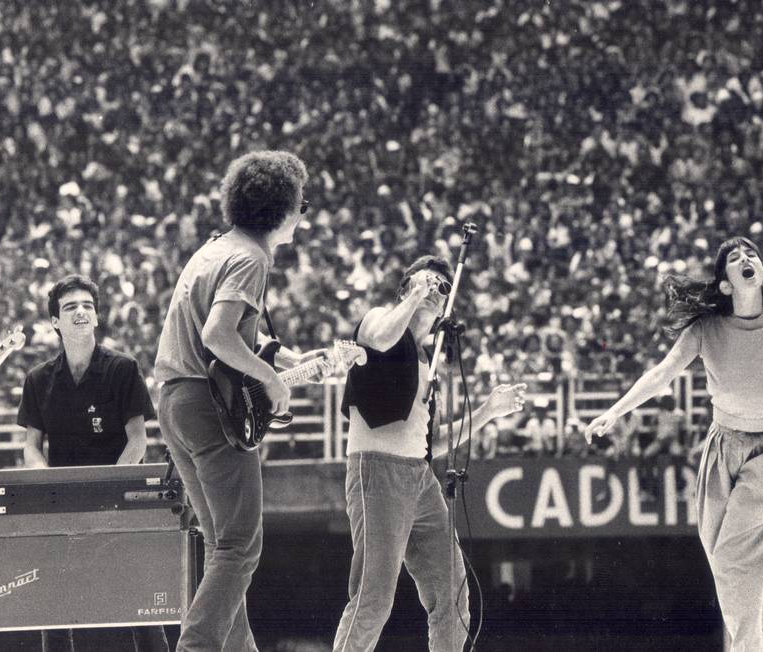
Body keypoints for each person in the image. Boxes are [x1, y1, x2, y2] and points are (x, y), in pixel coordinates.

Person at [585, 236, 763, 651]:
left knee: (732, 563)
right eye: (735, 259)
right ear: (725, 283)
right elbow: (663, 372)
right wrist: (616, 411)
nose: (746, 260)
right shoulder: (706, 327)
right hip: (721, 447)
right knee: (734, 570)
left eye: (752, 255)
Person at [153, 150, 320, 651]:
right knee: (242, 549)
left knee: (223, 546)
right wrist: (273, 381)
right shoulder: (251, 258)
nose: (303, 214)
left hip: (175, 403)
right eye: (302, 205)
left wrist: (287, 358)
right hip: (207, 408)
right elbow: (219, 337)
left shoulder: (215, 248)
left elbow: (227, 339)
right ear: (283, 208)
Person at [333, 255, 527, 652]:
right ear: (405, 286)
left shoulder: (427, 363)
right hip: (377, 469)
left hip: (419, 477)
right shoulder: (377, 318)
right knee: (373, 597)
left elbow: (430, 444)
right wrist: (415, 297)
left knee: (453, 591)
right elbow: (382, 338)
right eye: (429, 282)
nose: (437, 291)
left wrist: (488, 411)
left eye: (443, 287)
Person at [17, 273, 167, 652]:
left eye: (87, 306)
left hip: (119, 500)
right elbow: (31, 446)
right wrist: (47, 482)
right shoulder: (37, 379)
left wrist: (109, 489)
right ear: (55, 322)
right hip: (61, 506)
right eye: (70, 307)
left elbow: (138, 440)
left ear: (97, 317)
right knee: (56, 608)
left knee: (140, 606)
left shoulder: (123, 368)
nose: (80, 312)